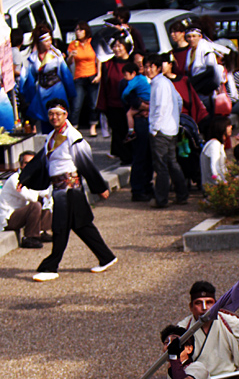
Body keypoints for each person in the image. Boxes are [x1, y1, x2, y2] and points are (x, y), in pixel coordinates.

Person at [20, 98, 117, 282]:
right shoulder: (51, 136)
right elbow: (40, 160)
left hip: (70, 189)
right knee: (82, 226)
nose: (54, 117)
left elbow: (86, 163)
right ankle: (106, 257)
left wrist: (100, 187)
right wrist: (23, 179)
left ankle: (50, 267)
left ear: (65, 114)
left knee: (60, 228)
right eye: (51, 114)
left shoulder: (73, 136)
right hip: (60, 189)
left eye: (58, 114)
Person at [145, 52, 189, 208]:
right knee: (171, 163)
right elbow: (178, 100)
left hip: (161, 130)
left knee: (161, 165)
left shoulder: (160, 83)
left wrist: (154, 128)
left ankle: (161, 199)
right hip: (170, 128)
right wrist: (174, 120)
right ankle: (182, 194)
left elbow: (161, 107)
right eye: (146, 67)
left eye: (152, 67)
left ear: (158, 68)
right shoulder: (166, 82)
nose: (148, 70)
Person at [20, 24, 76, 132]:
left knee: (60, 120)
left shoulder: (56, 54)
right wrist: (27, 94)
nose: (49, 43)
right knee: (46, 122)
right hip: (42, 91)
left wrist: (70, 92)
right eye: (46, 41)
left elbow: (65, 74)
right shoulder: (32, 58)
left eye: (50, 40)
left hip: (57, 89)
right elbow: (29, 78)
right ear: (40, 42)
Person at [0, 150, 52, 248]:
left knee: (48, 199)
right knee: (35, 205)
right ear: (20, 165)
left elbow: (46, 193)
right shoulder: (15, 179)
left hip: (20, 212)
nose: (29, 166)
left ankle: (41, 231)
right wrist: (37, 183)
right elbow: (32, 198)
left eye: (31, 163)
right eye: (26, 163)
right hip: (9, 218)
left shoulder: (30, 178)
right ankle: (30, 237)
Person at [97, 35, 134, 164]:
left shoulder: (133, 64)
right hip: (114, 105)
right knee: (118, 133)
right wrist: (102, 105)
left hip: (131, 105)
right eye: (114, 46)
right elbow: (104, 87)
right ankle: (125, 158)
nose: (116, 49)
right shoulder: (108, 65)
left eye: (120, 46)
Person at [120, 62, 153, 202]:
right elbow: (130, 100)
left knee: (149, 156)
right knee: (140, 156)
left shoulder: (148, 80)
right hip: (139, 121)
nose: (144, 68)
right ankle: (138, 189)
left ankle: (146, 185)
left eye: (144, 65)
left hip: (148, 120)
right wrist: (145, 107)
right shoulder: (126, 83)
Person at [67, 21, 101, 134]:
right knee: (76, 104)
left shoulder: (92, 43)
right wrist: (71, 56)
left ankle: (93, 126)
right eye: (76, 30)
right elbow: (69, 63)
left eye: (81, 30)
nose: (78, 32)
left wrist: (99, 73)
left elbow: (98, 58)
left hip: (92, 74)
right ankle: (74, 127)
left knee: (93, 103)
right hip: (79, 76)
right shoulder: (73, 44)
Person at [200, 116, 232, 188]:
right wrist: (223, 183)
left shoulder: (218, 144)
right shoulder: (214, 144)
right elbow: (215, 167)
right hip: (214, 188)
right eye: (228, 125)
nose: (231, 127)